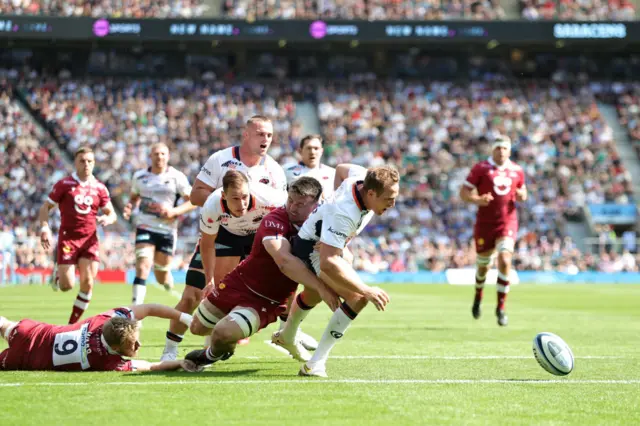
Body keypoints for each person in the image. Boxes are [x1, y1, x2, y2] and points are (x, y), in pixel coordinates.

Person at [163, 116, 291, 353]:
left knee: (277, 283)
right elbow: (195, 195)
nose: (266, 139)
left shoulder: (274, 171)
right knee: (193, 294)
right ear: (246, 134)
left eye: (270, 135)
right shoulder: (221, 159)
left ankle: (288, 334)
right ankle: (170, 348)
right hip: (222, 230)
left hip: (256, 236)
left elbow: (284, 210)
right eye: (260, 134)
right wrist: (225, 203)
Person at [184, 177, 339, 368]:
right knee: (197, 328)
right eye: (290, 200)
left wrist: (336, 247)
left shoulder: (325, 226)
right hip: (239, 281)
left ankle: (211, 355)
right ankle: (233, 333)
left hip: (267, 300)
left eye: (300, 204)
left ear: (316, 204)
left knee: (222, 333)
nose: (292, 207)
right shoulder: (275, 218)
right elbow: (283, 261)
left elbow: (343, 255)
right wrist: (320, 288)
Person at [273, 164, 399, 378]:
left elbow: (341, 168)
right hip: (310, 247)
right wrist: (367, 290)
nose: (393, 203)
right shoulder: (344, 211)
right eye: (389, 198)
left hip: (321, 240)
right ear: (370, 193)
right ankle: (315, 363)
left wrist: (331, 224)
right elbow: (328, 262)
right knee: (357, 297)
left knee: (312, 295)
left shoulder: (360, 177)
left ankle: (287, 335)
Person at [38, 147, 117, 324]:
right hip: (68, 239)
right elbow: (45, 207)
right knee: (66, 286)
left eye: (90, 161)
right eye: (82, 160)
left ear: (94, 163)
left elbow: (112, 213)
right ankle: (59, 273)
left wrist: (108, 218)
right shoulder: (64, 184)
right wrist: (44, 227)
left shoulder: (100, 188)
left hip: (90, 240)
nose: (86, 164)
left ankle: (72, 324)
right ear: (76, 162)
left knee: (88, 283)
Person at [0, 303, 199, 372]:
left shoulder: (104, 320)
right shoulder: (107, 361)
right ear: (117, 349)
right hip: (24, 360)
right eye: (133, 344)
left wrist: (184, 318)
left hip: (30, 331)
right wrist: (181, 362)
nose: (139, 344)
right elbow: (151, 366)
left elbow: (147, 309)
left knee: (4, 324)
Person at [459, 136, 527, 326]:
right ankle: (478, 295)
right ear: (492, 150)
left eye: (505, 148)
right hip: (485, 224)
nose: (501, 151)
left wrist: (522, 195)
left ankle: (501, 308)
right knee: (483, 267)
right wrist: (477, 200)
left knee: (505, 259)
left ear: (510, 151)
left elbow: (523, 193)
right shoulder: (480, 168)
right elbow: (463, 193)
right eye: (498, 148)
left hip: (508, 222)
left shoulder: (517, 170)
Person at [280, 134, 336, 349]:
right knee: (293, 282)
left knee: (315, 285)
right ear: (300, 151)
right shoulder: (287, 171)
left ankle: (291, 329)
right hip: (293, 232)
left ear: (322, 150)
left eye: (316, 148)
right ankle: (289, 329)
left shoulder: (331, 175)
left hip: (321, 237)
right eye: (308, 148)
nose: (312, 151)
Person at [122, 143, 196, 305]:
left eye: (163, 154)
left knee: (161, 276)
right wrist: (129, 207)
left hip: (167, 231)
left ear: (168, 156)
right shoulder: (139, 176)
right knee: (142, 266)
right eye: (156, 154)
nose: (159, 157)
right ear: (150, 156)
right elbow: (134, 198)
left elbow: (193, 201)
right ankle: (135, 312)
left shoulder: (177, 177)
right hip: (145, 226)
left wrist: (174, 212)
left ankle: (166, 277)